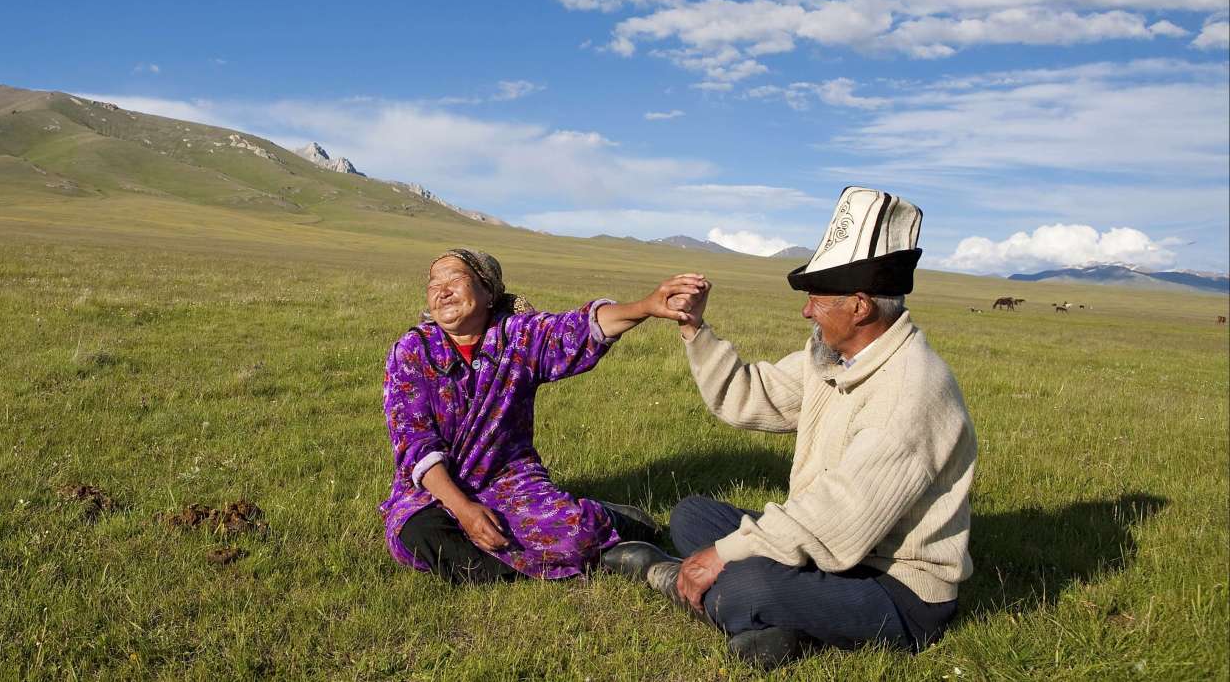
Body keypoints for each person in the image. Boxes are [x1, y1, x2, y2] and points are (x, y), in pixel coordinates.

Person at [603, 187, 977, 669]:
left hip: (896, 587)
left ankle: (676, 579)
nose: (806, 311)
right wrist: (695, 330)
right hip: (832, 553)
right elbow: (749, 396)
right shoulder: (836, 360)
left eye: (817, 299)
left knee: (742, 585)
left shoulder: (911, 394)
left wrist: (722, 556)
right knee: (692, 516)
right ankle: (786, 623)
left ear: (859, 306)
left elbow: (842, 513)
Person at [379, 248, 700, 583]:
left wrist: (647, 306)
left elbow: (578, 330)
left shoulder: (518, 336)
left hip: (509, 480)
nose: (442, 290)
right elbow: (414, 443)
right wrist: (464, 510)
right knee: (419, 535)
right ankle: (598, 557)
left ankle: (609, 522)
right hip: (433, 489)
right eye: (434, 283)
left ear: (488, 292)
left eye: (454, 279)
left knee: (575, 534)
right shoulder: (412, 350)